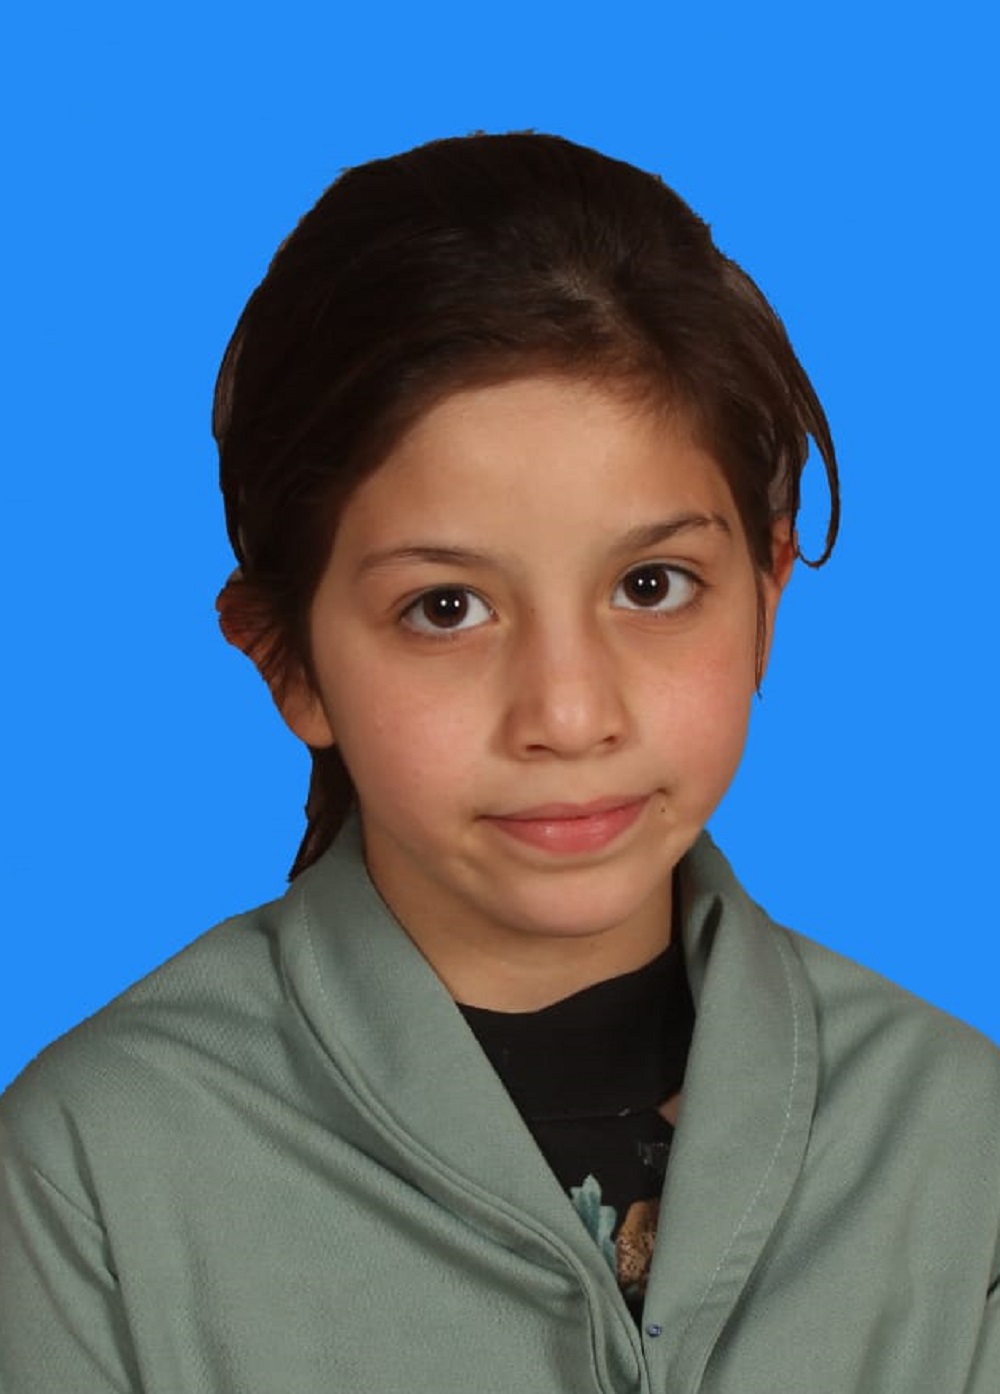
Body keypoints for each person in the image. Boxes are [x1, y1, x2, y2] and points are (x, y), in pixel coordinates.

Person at [1, 132, 997, 1394]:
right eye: (446, 608)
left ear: (766, 594)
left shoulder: (961, 1139)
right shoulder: (88, 1174)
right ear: (289, 662)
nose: (568, 715)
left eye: (652, 584)